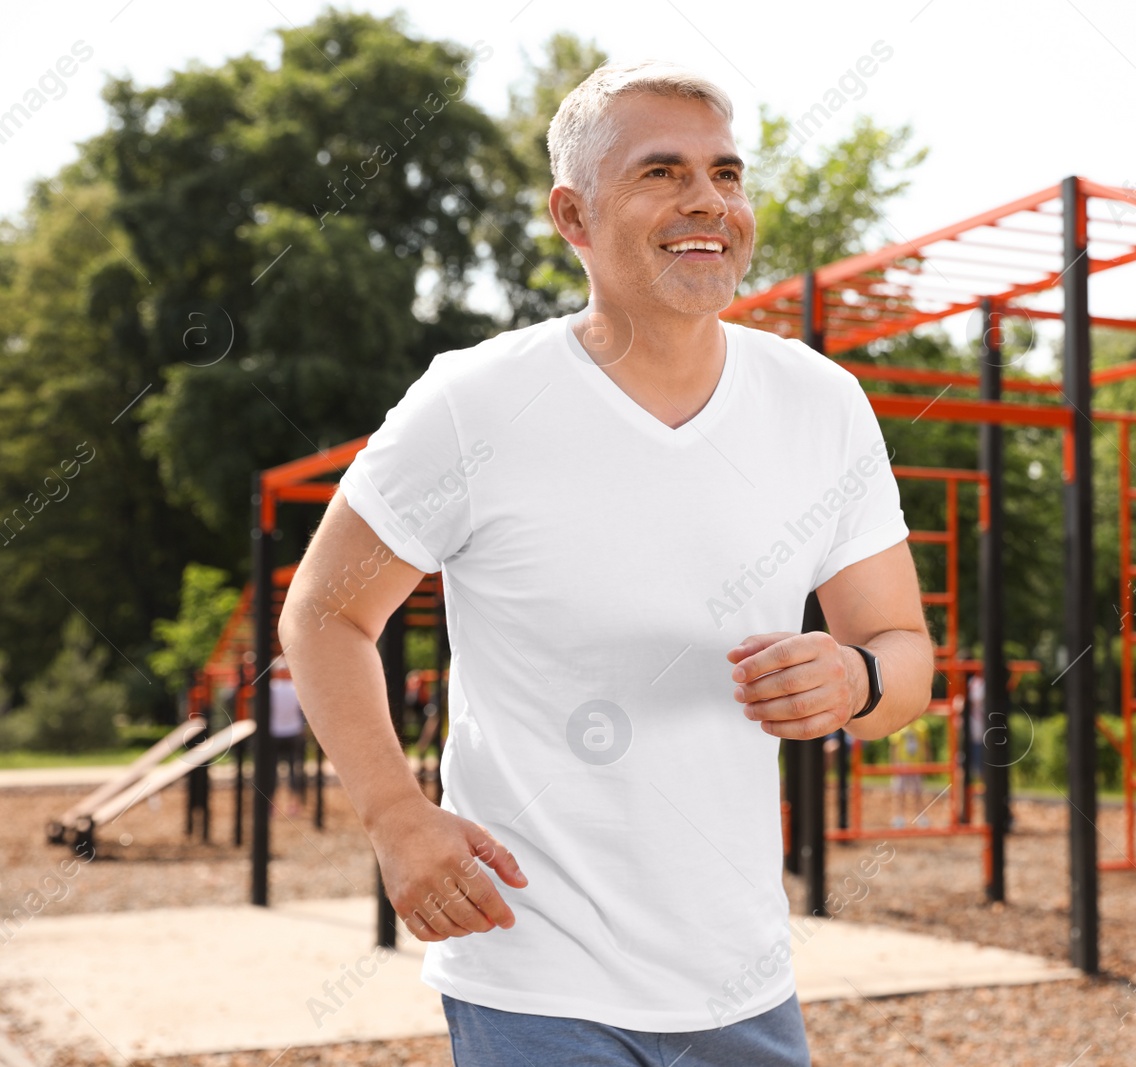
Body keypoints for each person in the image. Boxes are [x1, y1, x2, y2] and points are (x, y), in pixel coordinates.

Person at [279, 60, 934, 1067]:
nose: (707, 200)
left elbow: (903, 654)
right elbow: (323, 612)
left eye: (725, 172)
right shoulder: (474, 402)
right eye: (661, 173)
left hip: (744, 980)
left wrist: (858, 677)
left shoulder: (822, 405)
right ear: (574, 217)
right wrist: (396, 814)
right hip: (532, 975)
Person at [268, 663, 306, 816]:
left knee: (271, 771)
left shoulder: (270, 688)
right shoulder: (295, 688)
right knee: (294, 770)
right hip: (294, 733)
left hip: (274, 733)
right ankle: (294, 805)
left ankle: (271, 805)